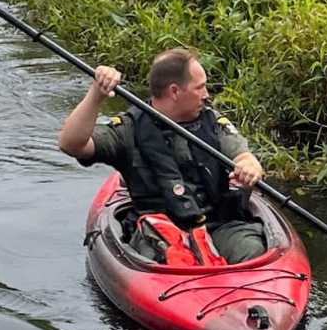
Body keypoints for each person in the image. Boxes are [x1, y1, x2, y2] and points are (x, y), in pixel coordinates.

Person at [59, 48, 266, 265]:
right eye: (200, 87)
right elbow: (71, 144)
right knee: (165, 258)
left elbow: (244, 157)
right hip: (158, 230)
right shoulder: (128, 129)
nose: (206, 95)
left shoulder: (212, 122)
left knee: (251, 250)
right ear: (175, 91)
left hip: (219, 224)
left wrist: (249, 167)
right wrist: (96, 94)